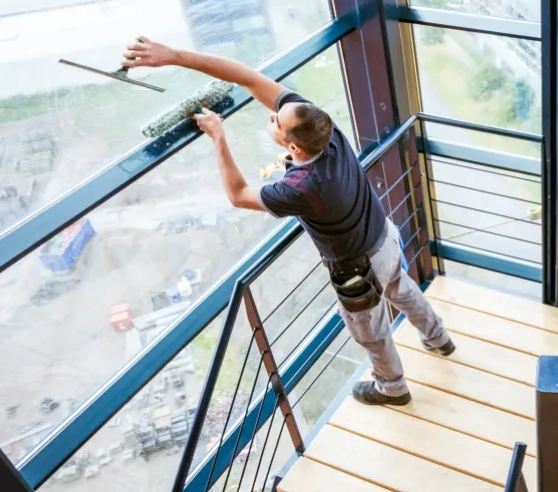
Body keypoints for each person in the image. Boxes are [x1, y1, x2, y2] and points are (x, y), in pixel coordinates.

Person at [123, 37, 455, 407]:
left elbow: (237, 194)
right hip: (384, 235)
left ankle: (392, 388)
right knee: (403, 290)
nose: (271, 115)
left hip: (360, 268)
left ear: (294, 148)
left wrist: (218, 136)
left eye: (275, 121)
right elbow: (248, 78)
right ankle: (438, 338)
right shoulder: (325, 131)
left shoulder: (301, 187)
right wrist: (175, 56)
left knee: (372, 334)